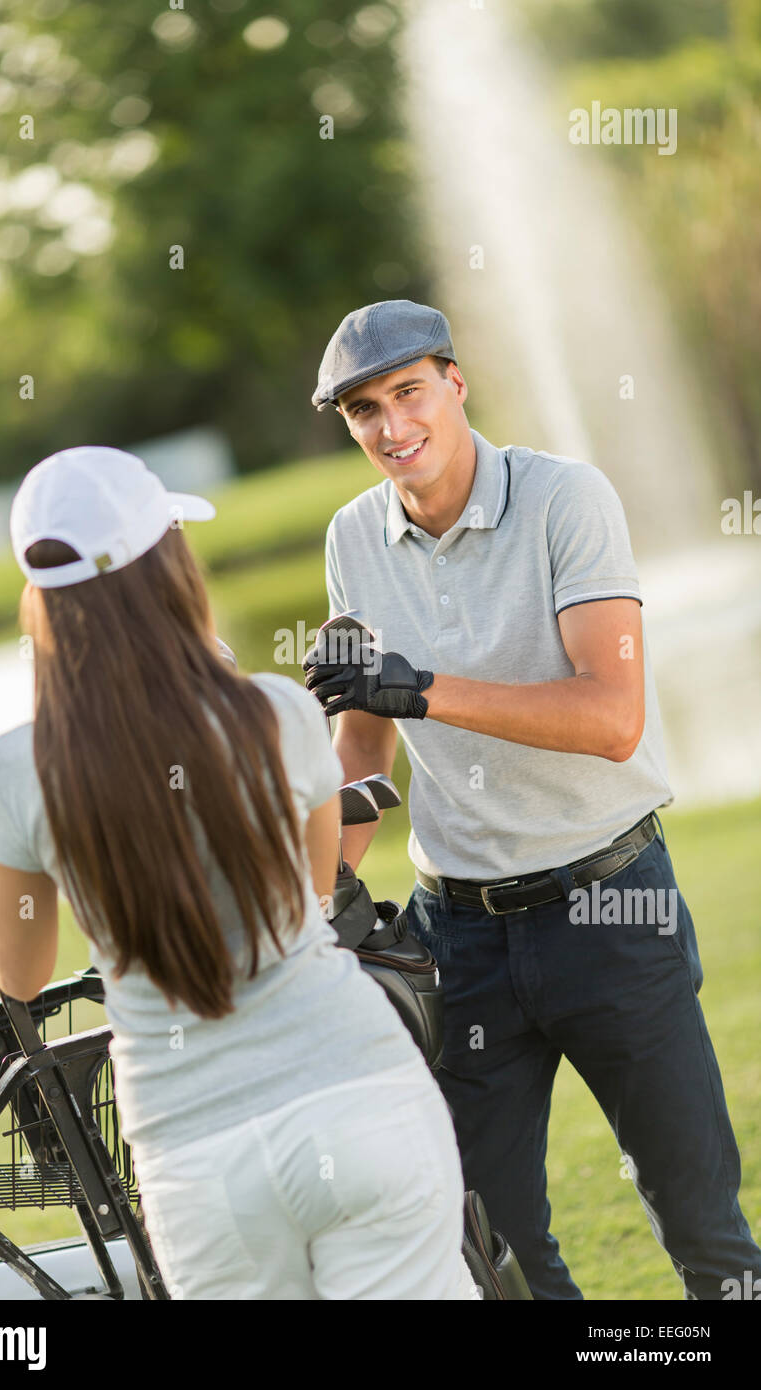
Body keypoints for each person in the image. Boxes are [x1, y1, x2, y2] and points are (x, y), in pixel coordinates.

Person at [0, 444, 479, 1302]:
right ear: (168, 567)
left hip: (200, 1161)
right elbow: (314, 894)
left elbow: (18, 974)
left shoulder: (20, 768)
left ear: (43, 600)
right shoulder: (279, 714)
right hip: (360, 1100)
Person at [303, 298, 761, 1301]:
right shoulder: (352, 538)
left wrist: (418, 683)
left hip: (607, 908)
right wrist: (310, 892)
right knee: (485, 1243)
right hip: (456, 936)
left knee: (700, 1225)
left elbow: (610, 715)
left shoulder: (565, 498)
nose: (391, 427)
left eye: (407, 392)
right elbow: (364, 755)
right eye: (362, 410)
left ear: (453, 382)